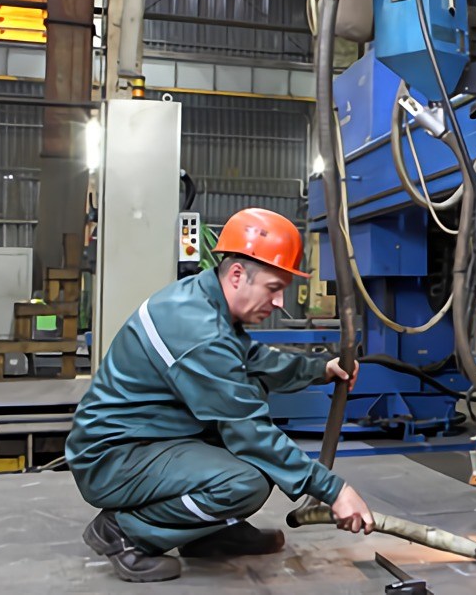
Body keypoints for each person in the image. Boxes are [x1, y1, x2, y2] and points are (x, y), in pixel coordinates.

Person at [66, 208, 374, 583]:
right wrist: (334, 490)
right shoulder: (197, 328)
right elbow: (246, 428)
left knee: (257, 464)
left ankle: (207, 533)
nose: (279, 303)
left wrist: (319, 368)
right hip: (114, 456)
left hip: (152, 437)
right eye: (274, 289)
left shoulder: (205, 301)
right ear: (238, 274)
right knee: (243, 480)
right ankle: (125, 531)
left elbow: (253, 359)